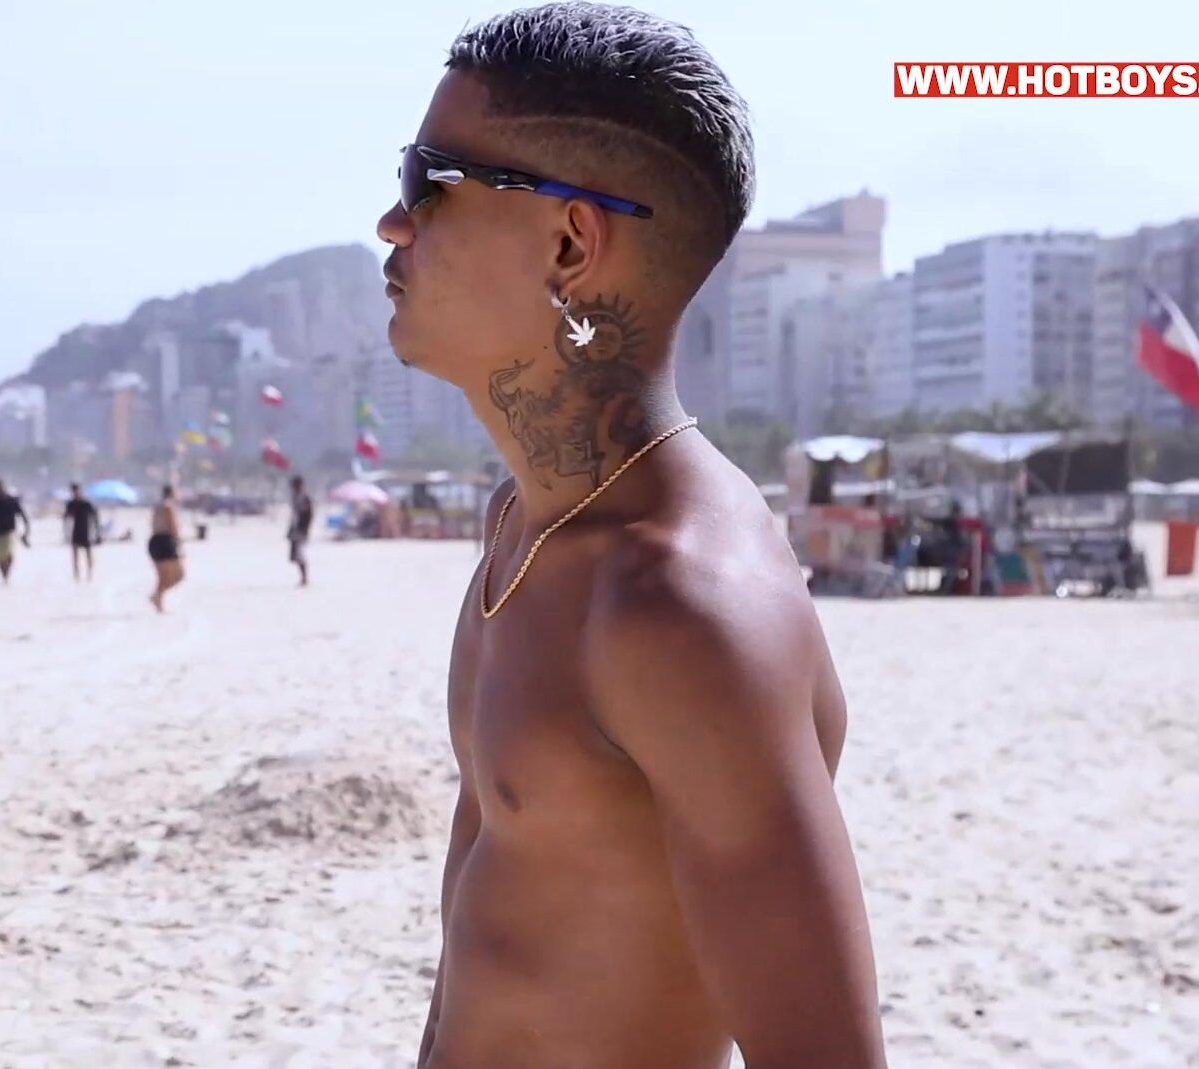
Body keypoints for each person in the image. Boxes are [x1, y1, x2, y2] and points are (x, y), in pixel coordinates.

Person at [378, 7, 883, 1068]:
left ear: (570, 243)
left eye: (430, 182)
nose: (393, 222)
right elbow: (483, 929)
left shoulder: (681, 607)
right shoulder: (524, 522)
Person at [147, 484, 184, 612]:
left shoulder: (157, 506)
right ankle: (157, 596)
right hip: (165, 541)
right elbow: (172, 525)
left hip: (154, 541)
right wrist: (178, 540)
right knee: (179, 574)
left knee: (162, 576)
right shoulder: (168, 506)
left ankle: (159, 601)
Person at [63, 483, 100, 582]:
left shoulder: (86, 504)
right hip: (76, 531)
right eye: (74, 491)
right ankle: (77, 575)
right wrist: (66, 533)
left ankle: (89, 574)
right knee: (75, 555)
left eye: (77, 491)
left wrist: (96, 531)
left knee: (88, 555)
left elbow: (94, 516)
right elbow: (66, 518)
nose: (75, 493)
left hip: (86, 531)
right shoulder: (71, 504)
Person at [286, 474, 313, 586]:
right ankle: (303, 578)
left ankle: (304, 578)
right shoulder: (296, 497)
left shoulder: (304, 498)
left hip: (301, 529)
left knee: (299, 554)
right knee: (295, 555)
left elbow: (307, 515)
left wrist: (304, 528)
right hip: (296, 529)